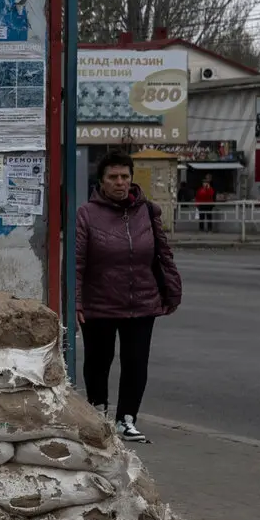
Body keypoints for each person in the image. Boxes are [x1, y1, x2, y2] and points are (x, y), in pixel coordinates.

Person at [76, 152, 181, 444]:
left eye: (124, 177)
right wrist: (76, 301)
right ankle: (98, 414)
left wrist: (172, 291)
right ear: (102, 181)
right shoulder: (86, 214)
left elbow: (163, 254)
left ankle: (126, 420)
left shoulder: (148, 211)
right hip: (100, 303)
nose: (120, 183)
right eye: (113, 177)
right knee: (99, 360)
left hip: (141, 302)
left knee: (136, 362)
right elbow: (77, 262)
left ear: (131, 178)